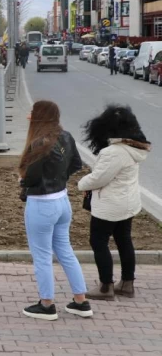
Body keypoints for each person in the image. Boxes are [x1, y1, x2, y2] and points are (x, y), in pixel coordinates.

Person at [19, 100, 92, 320]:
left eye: (32, 112)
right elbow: (77, 164)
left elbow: (30, 176)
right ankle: (81, 301)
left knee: (42, 256)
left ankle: (47, 304)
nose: (29, 115)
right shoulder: (66, 136)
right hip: (62, 200)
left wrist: (23, 183)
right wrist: (60, 178)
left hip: (42, 204)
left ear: (39, 116)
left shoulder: (39, 142)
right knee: (65, 251)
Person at [78, 106, 151, 300]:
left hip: (110, 205)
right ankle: (127, 284)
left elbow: (99, 179)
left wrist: (81, 183)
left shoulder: (114, 152)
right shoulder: (135, 147)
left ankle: (105, 287)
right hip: (128, 202)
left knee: (98, 241)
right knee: (124, 240)